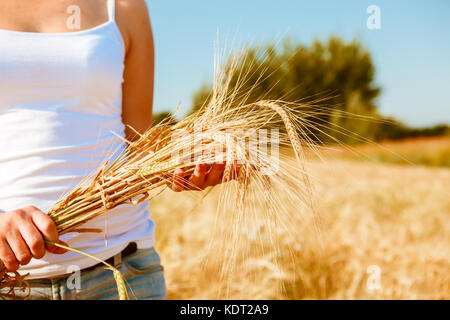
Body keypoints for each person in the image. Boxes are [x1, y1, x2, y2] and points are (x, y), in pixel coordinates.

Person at [0, 0, 225, 300]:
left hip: (123, 273)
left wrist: (181, 164)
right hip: (13, 285)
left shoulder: (124, 6)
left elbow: (138, 145)